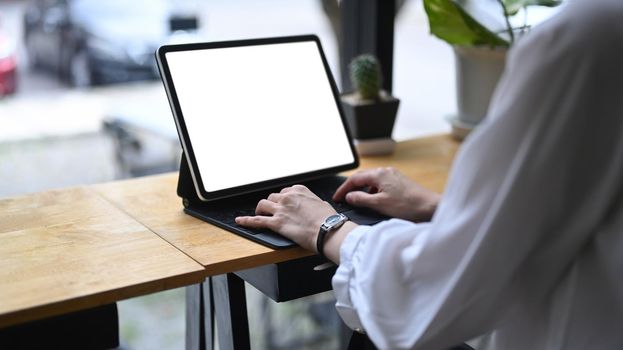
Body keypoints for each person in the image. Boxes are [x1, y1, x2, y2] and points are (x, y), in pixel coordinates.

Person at [236, 0, 623, 348]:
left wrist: (328, 227)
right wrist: (441, 207)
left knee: (373, 337)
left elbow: (438, 294)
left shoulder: (590, 34)